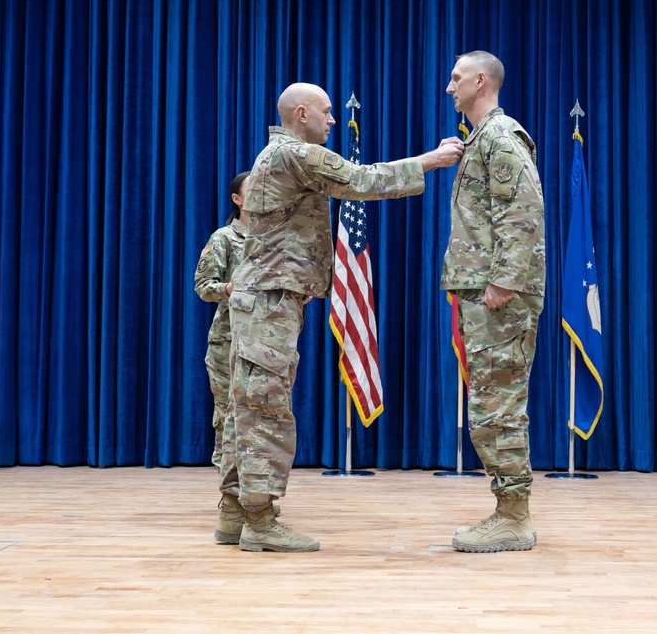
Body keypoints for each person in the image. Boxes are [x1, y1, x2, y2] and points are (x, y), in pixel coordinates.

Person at [219, 82, 464, 553]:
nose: (334, 121)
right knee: (265, 409)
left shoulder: (279, 155)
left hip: (267, 297)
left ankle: (235, 514)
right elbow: (363, 180)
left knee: (245, 406)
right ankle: (259, 520)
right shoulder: (296, 154)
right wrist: (430, 160)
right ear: (303, 113)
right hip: (268, 299)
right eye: (328, 113)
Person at [442, 51, 546, 553]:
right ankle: (508, 509)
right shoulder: (480, 140)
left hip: (499, 296)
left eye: (457, 78)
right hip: (482, 292)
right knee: (490, 403)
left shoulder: (501, 138)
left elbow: (522, 212)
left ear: (480, 81)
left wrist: (503, 282)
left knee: (497, 407)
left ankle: (513, 517)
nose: (449, 87)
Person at [194, 170, 251, 480]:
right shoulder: (225, 238)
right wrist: (230, 288)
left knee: (259, 421)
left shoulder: (274, 238)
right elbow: (203, 286)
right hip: (228, 343)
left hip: (265, 345)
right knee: (229, 416)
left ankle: (256, 491)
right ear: (237, 199)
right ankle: (231, 491)